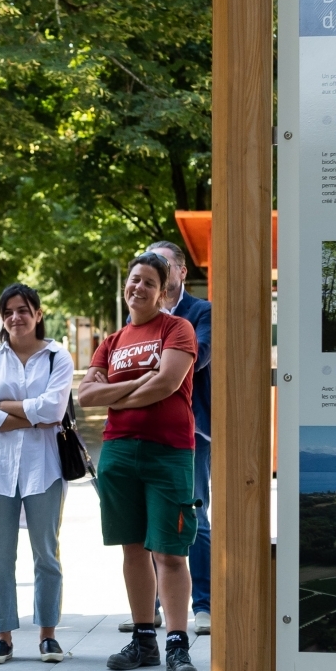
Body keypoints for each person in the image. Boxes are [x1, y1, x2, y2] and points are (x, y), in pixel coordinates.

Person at [79, 251, 201, 671]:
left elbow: (169, 382)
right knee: (132, 548)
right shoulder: (110, 341)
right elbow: (85, 397)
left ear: (163, 289)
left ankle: (177, 645)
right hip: (118, 452)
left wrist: (115, 391)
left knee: (170, 552)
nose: (139, 287)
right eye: (134, 280)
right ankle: (144, 640)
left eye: (149, 281)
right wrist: (138, 386)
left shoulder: (177, 328)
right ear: (125, 286)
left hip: (168, 452)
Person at [0, 284, 73, 665]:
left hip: (45, 467)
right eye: (8, 312)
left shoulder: (58, 357)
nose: (15, 318)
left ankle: (48, 635)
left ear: (38, 314)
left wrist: (5, 406)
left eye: (23, 310)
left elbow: (55, 410)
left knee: (46, 553)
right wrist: (29, 414)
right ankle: (2, 635)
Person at [148, 238, 212, 635]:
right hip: (147, 427)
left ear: (182, 272)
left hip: (192, 429)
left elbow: (199, 356)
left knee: (193, 514)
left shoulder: (201, 311)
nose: (156, 270)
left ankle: (203, 606)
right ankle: (151, 605)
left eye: (164, 264)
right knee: (152, 518)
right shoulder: (140, 312)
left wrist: (158, 361)